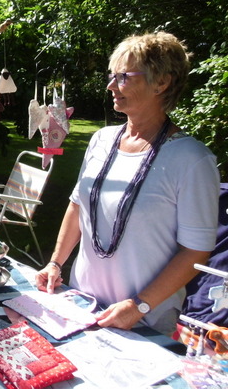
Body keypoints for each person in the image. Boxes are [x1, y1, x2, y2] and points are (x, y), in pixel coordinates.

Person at [35, 31, 220, 335]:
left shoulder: (192, 159)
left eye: (123, 77)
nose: (111, 85)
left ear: (162, 83)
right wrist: (55, 263)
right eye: (112, 76)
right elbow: (77, 206)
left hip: (143, 323)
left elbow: (196, 251)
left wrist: (139, 305)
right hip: (80, 305)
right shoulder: (101, 140)